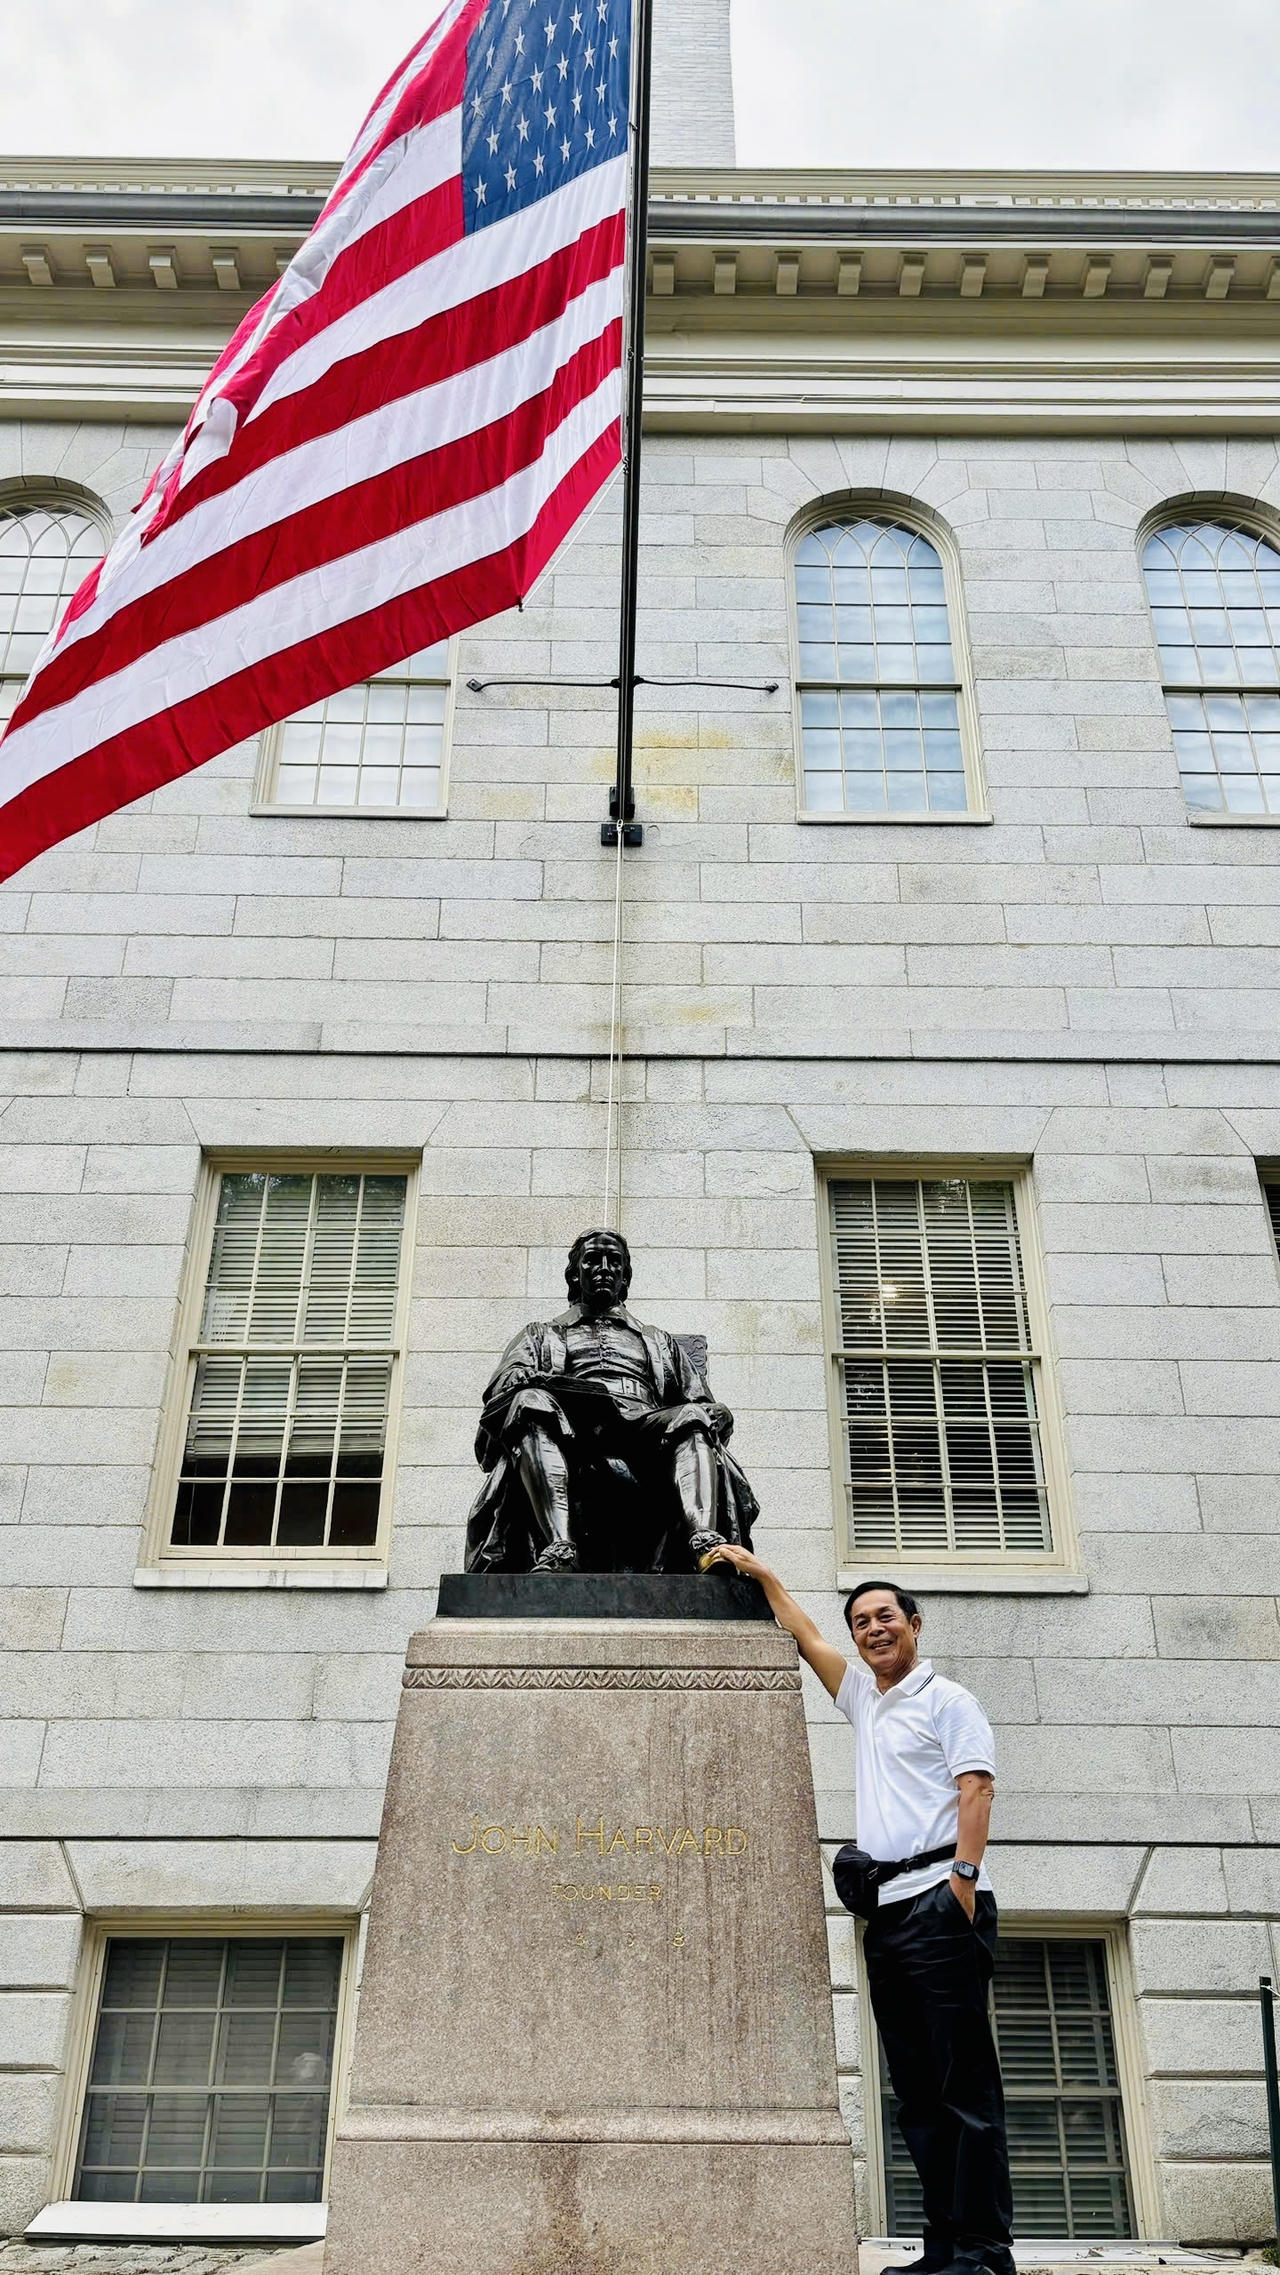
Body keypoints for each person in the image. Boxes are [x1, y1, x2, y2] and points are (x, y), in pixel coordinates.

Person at [706, 1545, 1014, 2275]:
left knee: (964, 2091)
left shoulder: (949, 1699)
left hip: (943, 1904)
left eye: (885, 1616)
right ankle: (943, 2249)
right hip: (889, 1917)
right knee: (916, 2095)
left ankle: (985, 2253)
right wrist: (765, 1574)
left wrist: (963, 1882)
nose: (872, 1628)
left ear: (914, 1624)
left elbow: (978, 1789)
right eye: (861, 1621)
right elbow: (806, 1635)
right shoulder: (863, 1698)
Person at [464, 1229, 758, 1573]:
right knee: (529, 1402)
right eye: (592, 1260)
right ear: (575, 1274)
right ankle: (558, 1549)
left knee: (692, 1417)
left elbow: (702, 1401)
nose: (603, 1268)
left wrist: (719, 1413)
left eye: (614, 1261)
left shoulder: (657, 1340)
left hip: (646, 1429)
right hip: (571, 1428)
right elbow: (503, 1387)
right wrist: (529, 1380)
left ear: (624, 1276)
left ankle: (707, 1545)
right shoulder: (541, 1334)